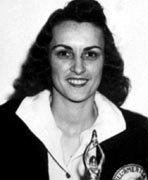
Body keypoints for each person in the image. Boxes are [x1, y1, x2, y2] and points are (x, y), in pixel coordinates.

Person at [1, 0, 148, 179]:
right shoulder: (5, 125)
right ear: (47, 60)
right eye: (64, 53)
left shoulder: (140, 135)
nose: (78, 68)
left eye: (90, 54)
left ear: (105, 61)